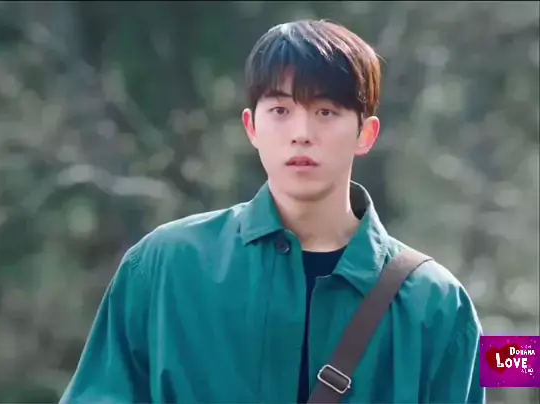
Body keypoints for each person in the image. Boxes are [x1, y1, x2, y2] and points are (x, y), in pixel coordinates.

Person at [60, 19, 485, 404]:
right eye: (281, 110)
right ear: (251, 126)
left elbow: (508, 370)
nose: (302, 133)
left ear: (365, 133)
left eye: (325, 112)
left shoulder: (437, 303)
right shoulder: (164, 267)